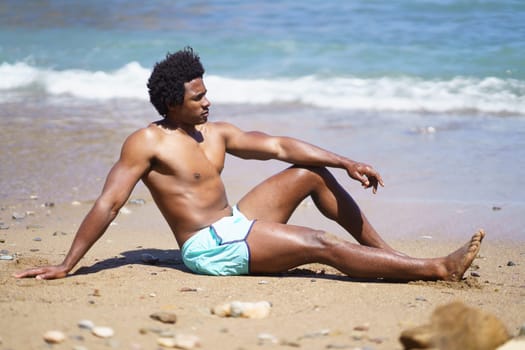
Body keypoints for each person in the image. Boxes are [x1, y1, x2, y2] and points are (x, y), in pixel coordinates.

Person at [14, 47, 484, 281]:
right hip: (208, 248)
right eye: (197, 97)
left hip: (235, 223)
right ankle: (435, 269)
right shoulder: (145, 142)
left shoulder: (214, 133)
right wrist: (65, 264)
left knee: (309, 174)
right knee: (318, 243)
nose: (207, 102)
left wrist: (346, 162)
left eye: (206, 92)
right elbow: (109, 203)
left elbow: (279, 146)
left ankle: (393, 258)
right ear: (171, 102)